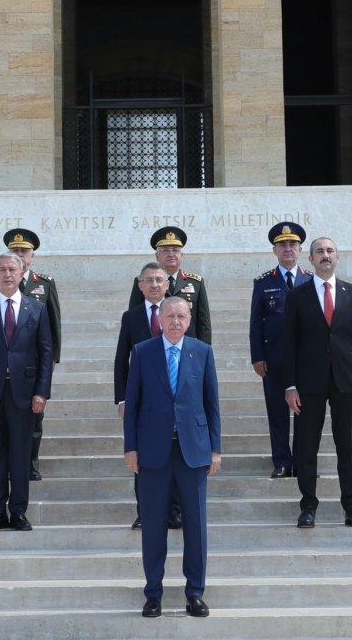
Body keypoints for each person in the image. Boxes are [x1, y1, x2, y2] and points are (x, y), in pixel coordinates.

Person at [124, 296, 221, 619]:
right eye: (170, 316)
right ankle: (153, 593)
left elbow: (212, 404)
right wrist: (131, 447)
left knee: (196, 526)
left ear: (189, 320)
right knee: (153, 527)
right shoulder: (142, 352)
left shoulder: (202, 352)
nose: (176, 322)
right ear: (160, 320)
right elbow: (132, 405)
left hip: (193, 452)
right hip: (153, 453)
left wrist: (215, 448)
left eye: (181, 316)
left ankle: (195, 593)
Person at [283, 237, 352, 529]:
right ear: (310, 259)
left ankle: (351, 506)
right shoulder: (297, 295)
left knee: (347, 445)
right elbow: (289, 344)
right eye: (319, 251)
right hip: (309, 382)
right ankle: (308, 505)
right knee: (306, 446)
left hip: (347, 380)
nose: (325, 255)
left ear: (338, 257)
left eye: (330, 251)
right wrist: (290, 385)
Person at [0, 252, 54, 531]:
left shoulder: (36, 308)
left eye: (12, 270)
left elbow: (45, 353)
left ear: (21, 275)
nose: (7, 275)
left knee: (20, 455)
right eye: (2, 270)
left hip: (24, 393)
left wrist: (42, 392)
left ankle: (18, 511)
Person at [0, 228, 61, 481]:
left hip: (34, 363)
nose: (20, 254)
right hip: (5, 364)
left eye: (24, 251)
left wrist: (51, 361)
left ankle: (30, 462)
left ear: (32, 255)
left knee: (34, 419)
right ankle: (7, 462)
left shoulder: (44, 283)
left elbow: (54, 324)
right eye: (15, 251)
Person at [113, 263, 181, 530]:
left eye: (159, 280)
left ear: (167, 284)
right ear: (140, 285)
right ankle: (145, 512)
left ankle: (174, 512)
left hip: (175, 398)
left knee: (176, 455)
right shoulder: (131, 317)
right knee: (142, 458)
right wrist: (122, 398)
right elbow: (121, 360)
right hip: (142, 400)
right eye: (149, 280)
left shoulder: (179, 314)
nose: (154, 285)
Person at [249, 221, 311, 479]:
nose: (287, 248)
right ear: (274, 250)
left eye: (292, 244)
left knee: (305, 414)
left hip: (306, 360)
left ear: (300, 249)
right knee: (277, 412)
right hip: (274, 359)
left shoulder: (311, 279)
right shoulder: (264, 282)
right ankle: (282, 462)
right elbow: (255, 322)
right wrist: (257, 357)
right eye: (282, 245)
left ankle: (303, 463)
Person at [127, 227, 211, 344]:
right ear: (157, 256)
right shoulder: (142, 281)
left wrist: (204, 354)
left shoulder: (196, 283)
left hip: (187, 349)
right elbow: (134, 321)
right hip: (153, 348)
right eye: (165, 250)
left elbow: (204, 325)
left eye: (175, 250)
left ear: (182, 255)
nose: (171, 254)